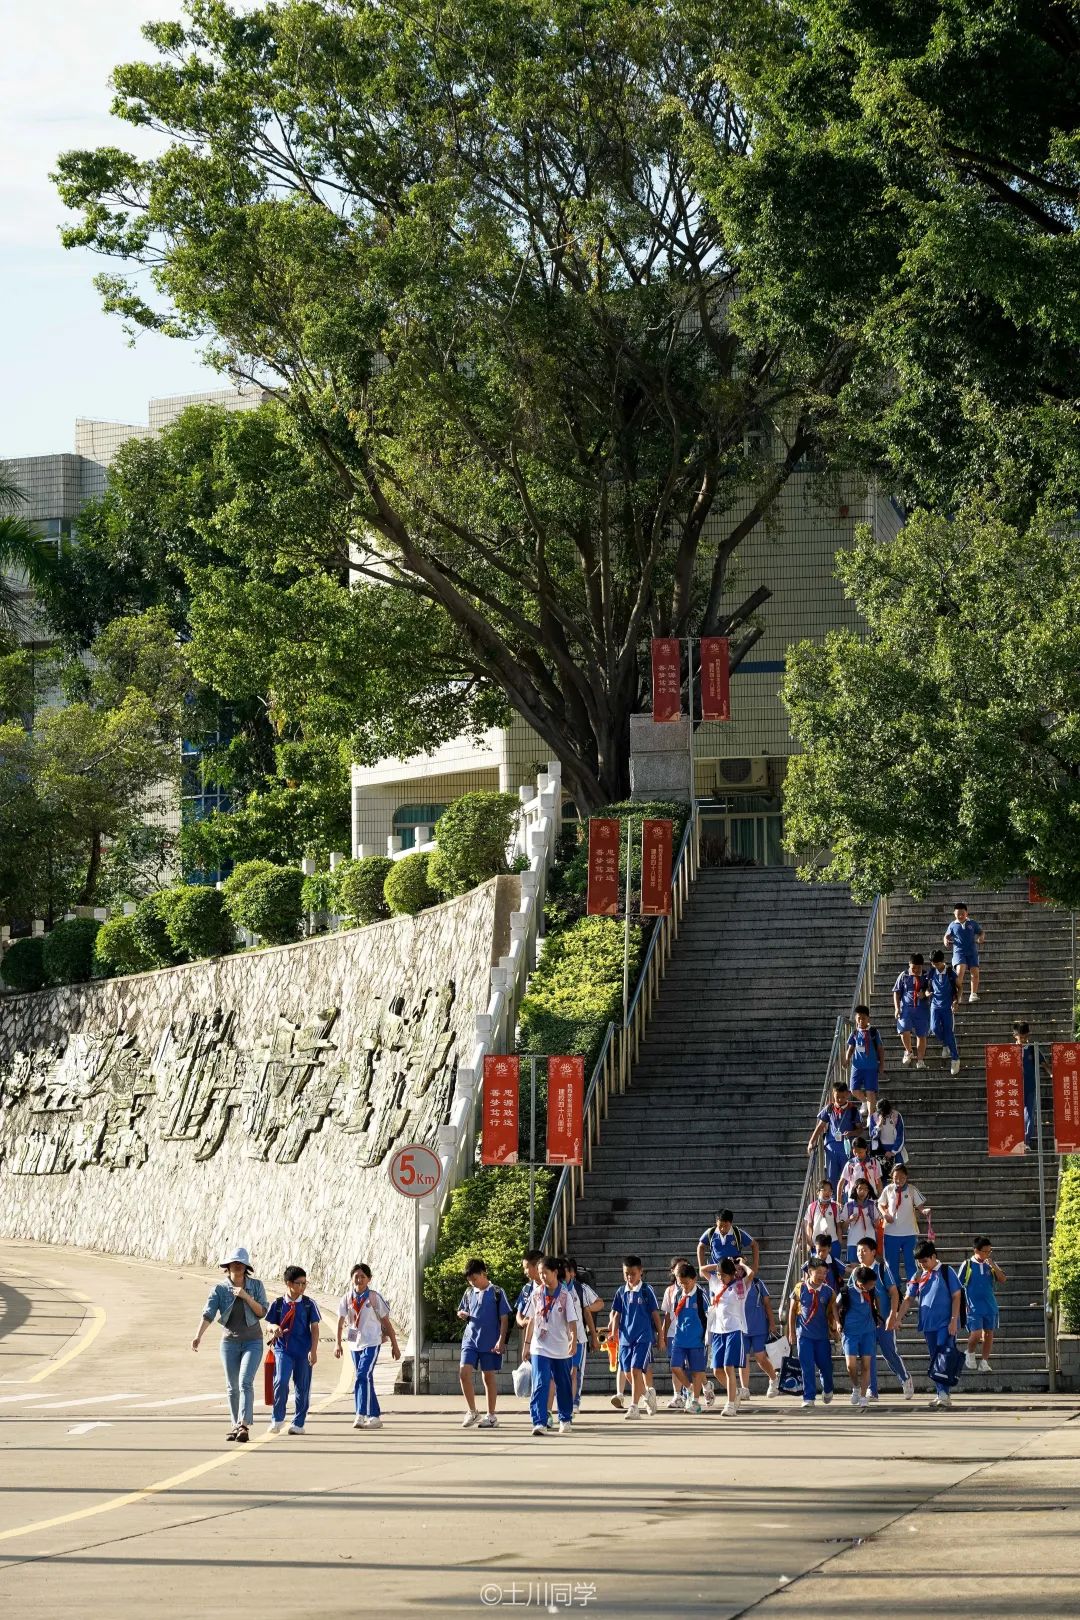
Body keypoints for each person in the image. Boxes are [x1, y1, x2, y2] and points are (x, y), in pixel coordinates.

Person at [191, 1245, 268, 1444]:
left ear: (246, 1267)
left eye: (241, 1263)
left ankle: (244, 1424)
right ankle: (235, 1425)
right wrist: (198, 1335)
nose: (237, 1266)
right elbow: (208, 1313)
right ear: (228, 1266)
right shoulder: (219, 1289)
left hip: (253, 1341)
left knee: (245, 1382)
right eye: (234, 1263)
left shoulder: (256, 1286)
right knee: (232, 1387)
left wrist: (245, 1296)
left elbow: (262, 1312)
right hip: (229, 1342)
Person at [896, 1240, 963, 1408]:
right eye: (919, 1262)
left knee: (943, 1356)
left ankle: (944, 1394)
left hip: (946, 1324)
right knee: (935, 1358)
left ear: (934, 1257)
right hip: (928, 1324)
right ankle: (941, 1392)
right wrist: (898, 1318)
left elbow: (957, 1296)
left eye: (925, 1261)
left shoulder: (947, 1272)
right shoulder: (918, 1276)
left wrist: (954, 1320)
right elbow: (908, 1298)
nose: (922, 1264)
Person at [334, 1262, 401, 1429]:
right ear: (351, 1279)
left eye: (363, 1276)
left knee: (362, 1375)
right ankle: (375, 1416)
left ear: (369, 1279)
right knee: (365, 1378)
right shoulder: (347, 1298)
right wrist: (337, 1344)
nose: (359, 1279)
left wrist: (395, 1344)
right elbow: (340, 1322)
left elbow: (386, 1322)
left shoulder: (374, 1297)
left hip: (372, 1341)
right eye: (356, 1276)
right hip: (354, 1343)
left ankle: (360, 1414)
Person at [522, 1255, 581, 1436]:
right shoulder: (537, 1293)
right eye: (540, 1274)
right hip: (540, 1346)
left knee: (563, 1383)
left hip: (560, 1347)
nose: (542, 1277)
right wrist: (527, 1344)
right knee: (540, 1382)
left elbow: (572, 1321)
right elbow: (532, 1319)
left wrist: (573, 1339)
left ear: (555, 1272)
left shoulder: (565, 1295)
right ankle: (539, 1421)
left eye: (545, 1273)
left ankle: (565, 1418)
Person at [855, 1236, 914, 1400]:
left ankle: (905, 1378)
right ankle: (872, 1390)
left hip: (884, 1321)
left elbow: (894, 1293)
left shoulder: (881, 1269)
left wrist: (893, 1316)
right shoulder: (856, 1273)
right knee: (868, 1355)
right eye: (858, 1250)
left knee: (890, 1354)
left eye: (864, 1250)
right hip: (865, 1324)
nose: (860, 1253)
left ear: (873, 1252)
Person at [265, 1266, 321, 1436]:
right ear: (288, 1283)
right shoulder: (278, 1304)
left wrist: (313, 1350)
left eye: (305, 1283)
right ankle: (277, 1418)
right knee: (280, 1382)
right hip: (283, 1350)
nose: (302, 1287)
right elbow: (268, 1324)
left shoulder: (309, 1304)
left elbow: (315, 1328)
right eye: (299, 1283)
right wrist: (274, 1327)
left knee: (302, 1387)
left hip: (303, 1352)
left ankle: (298, 1422)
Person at [457, 1258, 511, 1429]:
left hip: (490, 1341)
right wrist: (462, 1314)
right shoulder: (468, 1292)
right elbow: (463, 1309)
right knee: (463, 1373)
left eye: (475, 1279)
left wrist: (501, 1341)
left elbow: (504, 1319)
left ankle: (491, 1415)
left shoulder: (497, 1292)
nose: (473, 1283)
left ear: (483, 1273)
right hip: (470, 1339)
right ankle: (472, 1411)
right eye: (470, 1280)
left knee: (488, 1377)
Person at [609, 1257, 662, 1421]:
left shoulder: (647, 1290)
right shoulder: (621, 1291)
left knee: (635, 1370)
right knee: (627, 1373)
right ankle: (647, 1394)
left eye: (633, 1273)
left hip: (643, 1337)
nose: (630, 1277)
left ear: (641, 1272)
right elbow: (617, 1314)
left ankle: (634, 1407)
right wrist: (613, 1331)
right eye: (626, 1274)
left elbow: (655, 1314)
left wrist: (660, 1336)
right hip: (625, 1338)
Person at [787, 1256, 839, 1410]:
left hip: (822, 1337)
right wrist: (791, 1333)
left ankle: (828, 1388)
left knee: (826, 1367)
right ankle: (808, 1397)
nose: (822, 1276)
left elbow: (833, 1313)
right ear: (810, 1272)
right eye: (819, 1272)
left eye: (825, 1273)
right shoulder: (799, 1288)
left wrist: (835, 1332)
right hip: (804, 1336)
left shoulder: (829, 1292)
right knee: (807, 1367)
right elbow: (791, 1311)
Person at [708, 1256, 755, 1416]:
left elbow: (751, 1273)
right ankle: (734, 1394)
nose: (721, 1277)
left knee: (729, 1367)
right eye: (719, 1274)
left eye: (724, 1274)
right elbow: (702, 1270)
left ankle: (730, 1404)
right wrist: (720, 1264)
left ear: (732, 1274)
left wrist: (740, 1264)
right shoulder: (716, 1283)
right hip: (718, 1331)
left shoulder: (738, 1286)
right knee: (716, 1370)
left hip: (734, 1330)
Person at [663, 1262, 710, 1412]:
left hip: (697, 1339)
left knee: (696, 1371)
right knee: (675, 1367)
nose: (684, 1286)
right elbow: (673, 1316)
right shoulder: (677, 1295)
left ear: (694, 1279)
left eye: (686, 1283)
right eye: (681, 1283)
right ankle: (689, 1389)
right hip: (680, 1338)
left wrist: (708, 1337)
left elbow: (711, 1316)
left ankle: (695, 1402)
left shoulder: (702, 1295)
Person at [877, 1163, 931, 1290]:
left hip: (909, 1232)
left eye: (902, 1177)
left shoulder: (912, 1189)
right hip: (891, 1232)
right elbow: (880, 1204)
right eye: (896, 1177)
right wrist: (885, 1214)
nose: (899, 1180)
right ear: (892, 1177)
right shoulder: (888, 1189)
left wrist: (924, 1211)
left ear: (906, 1177)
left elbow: (920, 1206)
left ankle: (912, 1288)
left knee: (911, 1263)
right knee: (891, 1264)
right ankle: (895, 1289)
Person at [837, 1264, 881, 1410]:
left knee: (867, 1365)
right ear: (861, 1283)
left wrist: (877, 1317)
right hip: (850, 1332)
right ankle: (855, 1386)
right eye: (870, 1284)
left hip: (868, 1331)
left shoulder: (871, 1290)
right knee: (851, 1365)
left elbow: (877, 1301)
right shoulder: (846, 1292)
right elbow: (834, 1307)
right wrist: (837, 1323)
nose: (872, 1286)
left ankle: (863, 1396)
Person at [563, 1258, 604, 1414]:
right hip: (559, 1339)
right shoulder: (554, 1289)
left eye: (564, 1271)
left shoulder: (581, 1289)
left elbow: (599, 1303)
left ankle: (574, 1402)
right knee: (564, 1373)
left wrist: (593, 1336)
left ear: (573, 1273)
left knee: (576, 1371)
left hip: (579, 1337)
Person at [960, 1238, 1006, 1373]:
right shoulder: (967, 1264)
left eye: (989, 1251)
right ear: (976, 1250)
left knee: (989, 1334)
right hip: (973, 1306)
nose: (987, 1254)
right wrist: (963, 1304)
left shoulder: (991, 1264)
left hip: (990, 1305)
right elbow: (958, 1285)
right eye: (985, 1251)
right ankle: (969, 1352)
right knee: (976, 1333)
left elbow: (1003, 1279)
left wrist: (993, 1265)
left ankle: (984, 1361)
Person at [807, 1082, 863, 1190]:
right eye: (837, 1097)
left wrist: (851, 1133)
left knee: (848, 1176)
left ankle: (847, 1200)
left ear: (848, 1094)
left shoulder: (853, 1110)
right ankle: (832, 1200)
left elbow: (860, 1129)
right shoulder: (829, 1108)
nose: (840, 1099)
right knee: (831, 1176)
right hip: (831, 1148)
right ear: (833, 1094)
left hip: (847, 1149)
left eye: (843, 1097)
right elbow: (820, 1126)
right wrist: (811, 1142)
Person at [740, 1271, 781, 1399]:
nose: (738, 1270)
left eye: (741, 1268)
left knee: (760, 1358)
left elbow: (767, 1304)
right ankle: (745, 1389)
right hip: (741, 1327)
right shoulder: (734, 1284)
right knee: (743, 1359)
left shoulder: (758, 1283)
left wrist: (772, 1324)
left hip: (759, 1327)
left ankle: (774, 1379)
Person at [1013, 1022, 1049, 1151]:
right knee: (1016, 1114)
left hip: (1030, 1086)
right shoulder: (1010, 1050)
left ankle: (1026, 1141)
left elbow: (1044, 1063)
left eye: (1025, 1037)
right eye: (1020, 1037)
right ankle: (1016, 1140)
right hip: (1014, 1089)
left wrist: (1051, 1074)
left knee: (1029, 1114)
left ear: (1028, 1035)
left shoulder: (1033, 1049)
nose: (1022, 1040)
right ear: (1015, 1036)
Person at [844, 1004, 885, 1113]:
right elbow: (850, 1048)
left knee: (870, 1092)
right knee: (853, 1089)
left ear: (868, 1018)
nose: (861, 1021)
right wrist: (847, 1059)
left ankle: (871, 1118)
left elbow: (880, 1049)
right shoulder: (855, 1033)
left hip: (871, 1067)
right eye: (858, 1018)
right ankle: (865, 1101)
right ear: (856, 1019)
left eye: (863, 1018)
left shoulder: (874, 1032)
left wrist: (881, 1064)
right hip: (857, 1066)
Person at [894, 952, 932, 1068]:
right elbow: (896, 992)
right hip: (906, 1008)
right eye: (913, 967)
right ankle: (908, 1051)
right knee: (904, 1028)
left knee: (921, 1035)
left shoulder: (927, 975)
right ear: (909, 965)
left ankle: (920, 1060)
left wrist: (925, 994)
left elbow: (930, 989)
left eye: (918, 967)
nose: (915, 970)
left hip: (922, 1009)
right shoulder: (904, 975)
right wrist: (897, 1008)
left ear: (922, 966)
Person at [696, 1211, 760, 1275]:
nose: (723, 1229)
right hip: (716, 1273)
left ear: (731, 1223)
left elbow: (755, 1245)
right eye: (720, 1226)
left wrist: (755, 1266)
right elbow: (700, 1246)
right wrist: (701, 1266)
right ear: (716, 1222)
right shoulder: (710, 1232)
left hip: (734, 1274)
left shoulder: (738, 1233)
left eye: (726, 1226)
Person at [929, 950, 961, 1075]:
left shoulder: (950, 972)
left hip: (947, 1006)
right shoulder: (931, 972)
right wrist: (927, 993)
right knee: (934, 1028)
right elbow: (927, 988)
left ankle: (955, 1058)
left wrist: (956, 1001)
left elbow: (960, 987)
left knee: (948, 1031)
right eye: (933, 964)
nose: (935, 966)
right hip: (935, 1006)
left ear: (942, 961)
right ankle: (946, 1044)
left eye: (937, 964)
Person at [944, 903, 984, 1001]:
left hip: (972, 951)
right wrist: (946, 941)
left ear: (967, 913)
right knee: (960, 970)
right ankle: (957, 994)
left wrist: (981, 937)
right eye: (958, 914)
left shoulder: (972, 923)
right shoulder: (952, 925)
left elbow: (981, 932)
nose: (961, 916)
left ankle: (973, 994)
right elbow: (947, 936)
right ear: (954, 914)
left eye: (963, 913)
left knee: (975, 972)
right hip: (959, 952)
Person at [840, 1177, 879, 1262]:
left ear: (868, 1191)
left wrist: (876, 1223)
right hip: (853, 1242)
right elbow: (843, 1228)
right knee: (855, 1269)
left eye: (865, 1189)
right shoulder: (848, 1206)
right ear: (855, 1189)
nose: (863, 1191)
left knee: (868, 1268)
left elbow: (877, 1225)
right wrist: (849, 1220)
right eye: (860, 1188)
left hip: (869, 1242)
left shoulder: (872, 1205)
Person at [837, 1137, 883, 1201]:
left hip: (870, 1199)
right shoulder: (850, 1164)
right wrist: (838, 1200)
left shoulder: (874, 1162)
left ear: (866, 1149)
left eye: (860, 1152)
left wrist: (880, 1198)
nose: (857, 1154)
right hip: (854, 1200)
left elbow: (879, 1181)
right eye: (855, 1152)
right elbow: (841, 1182)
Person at [870, 1097, 908, 1170]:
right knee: (881, 1175)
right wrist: (878, 1126)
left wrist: (893, 1152)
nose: (884, 1114)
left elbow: (901, 1135)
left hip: (896, 1150)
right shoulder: (874, 1117)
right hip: (880, 1150)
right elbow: (872, 1136)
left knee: (898, 1172)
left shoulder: (897, 1116)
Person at [804, 1179, 841, 1246]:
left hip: (833, 1242)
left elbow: (838, 1226)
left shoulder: (835, 1207)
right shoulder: (812, 1206)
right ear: (818, 1192)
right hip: (816, 1243)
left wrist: (839, 1243)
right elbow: (809, 1225)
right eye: (824, 1190)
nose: (827, 1192)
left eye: (830, 1190)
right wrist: (809, 1241)